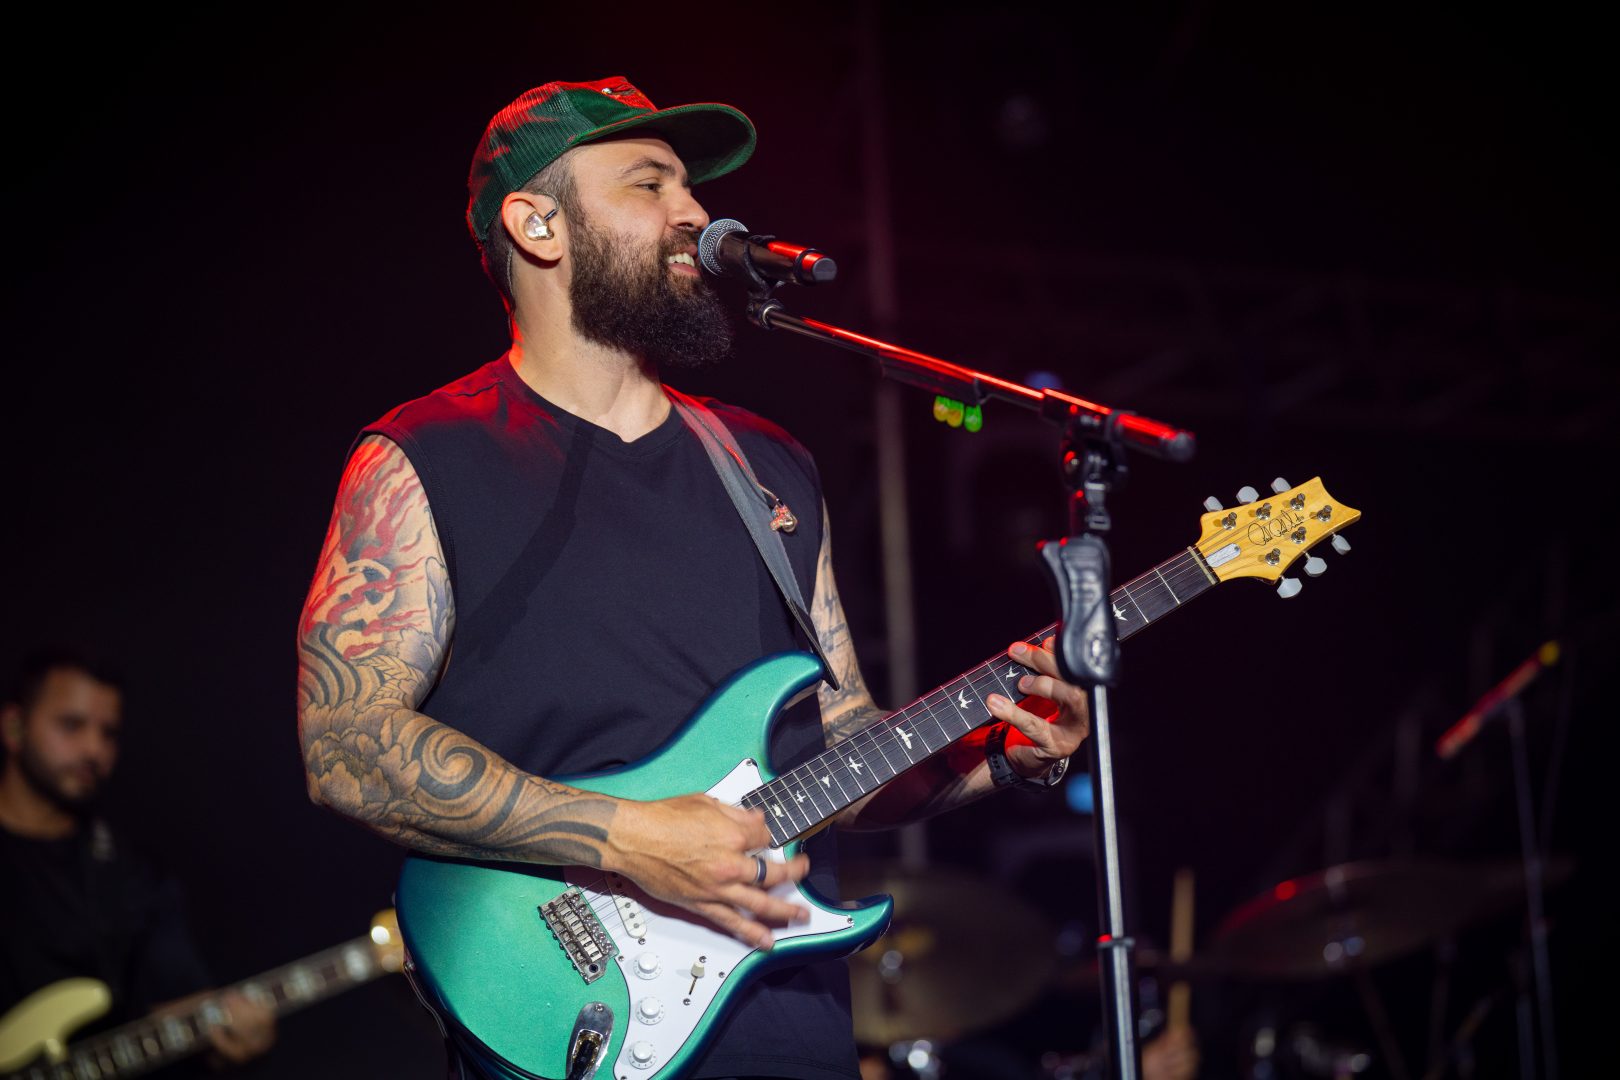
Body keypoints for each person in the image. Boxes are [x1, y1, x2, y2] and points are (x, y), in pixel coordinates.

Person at [295, 76, 1090, 1080]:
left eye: (689, 186)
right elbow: (346, 745)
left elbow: (837, 742)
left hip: (792, 1031)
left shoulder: (767, 464)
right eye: (650, 183)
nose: (696, 212)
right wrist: (630, 839)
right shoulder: (424, 457)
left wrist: (1001, 750)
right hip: (575, 1017)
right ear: (538, 224)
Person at [0, 649, 276, 1072]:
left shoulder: (133, 875)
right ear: (14, 727)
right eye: (71, 725)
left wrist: (231, 1033)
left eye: (109, 733)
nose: (93, 749)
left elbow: (178, 1005)